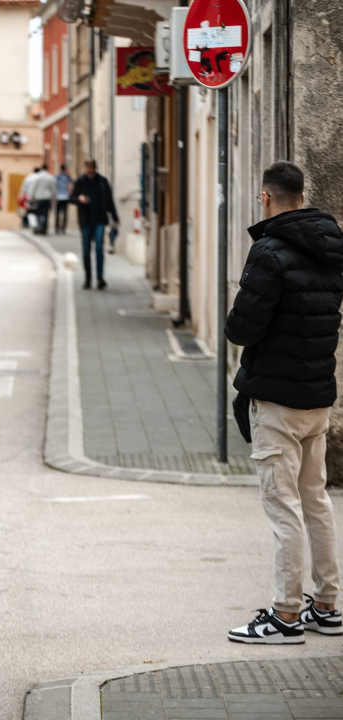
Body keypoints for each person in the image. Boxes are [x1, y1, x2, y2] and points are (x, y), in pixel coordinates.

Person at [225, 161, 343, 645]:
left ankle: (286, 615)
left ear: (266, 197)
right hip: (318, 395)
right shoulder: (333, 246)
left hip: (276, 398)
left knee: (283, 506)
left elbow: (240, 329)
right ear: (302, 193)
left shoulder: (269, 251)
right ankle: (328, 604)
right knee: (316, 500)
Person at [71, 159, 119, 290]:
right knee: (86, 250)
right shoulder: (80, 181)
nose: (89, 170)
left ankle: (100, 278)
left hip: (99, 219)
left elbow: (109, 201)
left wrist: (115, 217)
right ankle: (87, 278)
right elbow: (72, 198)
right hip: (85, 220)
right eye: (87, 168)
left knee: (99, 248)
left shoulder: (102, 181)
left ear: (95, 168)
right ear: (85, 168)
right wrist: (79, 199)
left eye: (91, 167)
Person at [29, 164, 56, 236]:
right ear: (47, 169)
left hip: (39, 198)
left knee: (38, 213)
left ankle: (38, 227)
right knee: (46, 214)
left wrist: (31, 197)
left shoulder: (37, 177)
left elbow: (33, 188)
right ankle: (44, 228)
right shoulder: (50, 177)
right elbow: (53, 189)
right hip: (47, 199)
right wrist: (54, 198)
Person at [54, 164, 72, 233]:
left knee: (57, 213)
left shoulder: (57, 177)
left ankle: (57, 228)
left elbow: (55, 186)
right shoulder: (68, 177)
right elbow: (71, 185)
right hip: (65, 197)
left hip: (58, 197)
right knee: (65, 213)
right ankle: (63, 228)